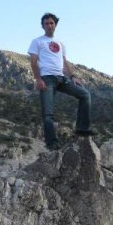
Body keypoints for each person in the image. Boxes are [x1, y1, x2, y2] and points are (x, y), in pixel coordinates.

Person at [28, 13, 94, 150]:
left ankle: (82, 129)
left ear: (55, 25)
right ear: (42, 26)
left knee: (85, 94)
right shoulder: (37, 41)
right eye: (46, 23)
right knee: (48, 114)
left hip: (62, 78)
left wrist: (72, 76)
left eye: (51, 23)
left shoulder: (61, 43)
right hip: (47, 78)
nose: (49, 25)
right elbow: (33, 61)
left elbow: (64, 63)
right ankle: (52, 144)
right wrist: (38, 79)